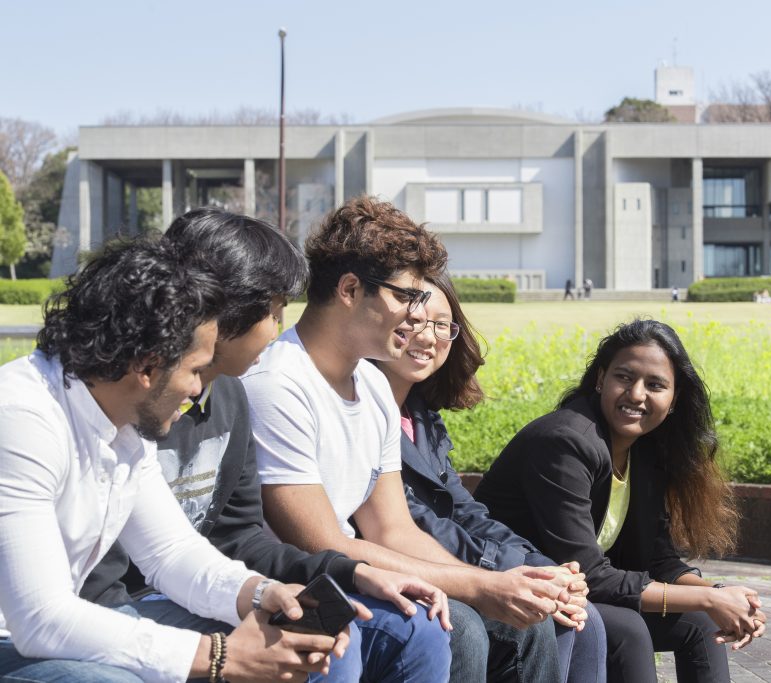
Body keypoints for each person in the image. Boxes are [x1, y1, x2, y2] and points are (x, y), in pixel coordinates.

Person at [80, 209, 452, 683]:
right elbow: (58, 607)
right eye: (273, 312)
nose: (277, 330)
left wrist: (324, 577)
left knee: (376, 629)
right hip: (105, 613)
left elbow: (202, 545)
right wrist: (219, 653)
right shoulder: (106, 407)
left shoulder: (229, 395)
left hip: (176, 593)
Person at [242, 196, 583, 682]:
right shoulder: (278, 384)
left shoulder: (374, 385)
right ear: (350, 289)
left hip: (348, 571)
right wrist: (477, 589)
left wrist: (487, 583)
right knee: (455, 624)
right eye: (405, 296)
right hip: (294, 583)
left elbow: (392, 530)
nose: (415, 316)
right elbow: (322, 543)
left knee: (523, 625)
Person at [0, 238, 353, 683]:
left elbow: (170, 553)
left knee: (297, 646)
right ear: (147, 367)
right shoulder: (20, 419)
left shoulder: (122, 421)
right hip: (15, 638)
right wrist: (220, 655)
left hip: (48, 630)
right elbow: (39, 618)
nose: (197, 389)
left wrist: (261, 593)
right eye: (195, 370)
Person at [474, 319, 768, 683]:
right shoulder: (565, 443)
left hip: (575, 593)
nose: (636, 394)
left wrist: (723, 597)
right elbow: (589, 572)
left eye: (655, 385)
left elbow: (659, 559)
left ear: (674, 400)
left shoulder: (644, 451)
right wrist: (710, 600)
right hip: (513, 589)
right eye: (624, 378)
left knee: (699, 622)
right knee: (628, 629)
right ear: (601, 379)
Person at [372, 271, 606, 683]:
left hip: (446, 562)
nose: (427, 336)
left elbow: (465, 510)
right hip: (390, 567)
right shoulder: (362, 409)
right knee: (508, 623)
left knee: (585, 620)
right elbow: (416, 523)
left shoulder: (422, 415)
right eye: (416, 320)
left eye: (442, 325)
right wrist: (516, 574)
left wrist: (542, 567)